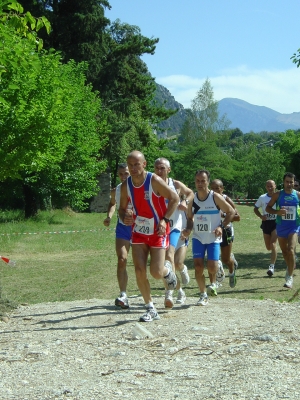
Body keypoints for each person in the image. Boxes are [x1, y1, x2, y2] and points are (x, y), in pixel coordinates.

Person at [119, 151, 179, 322]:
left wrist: (164, 220)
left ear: (144, 164)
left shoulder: (153, 180)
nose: (133, 168)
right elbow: (122, 210)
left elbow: (174, 198)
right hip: (138, 231)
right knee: (139, 270)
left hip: (158, 231)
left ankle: (167, 271)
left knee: (156, 272)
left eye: (136, 164)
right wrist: (126, 217)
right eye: (130, 165)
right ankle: (150, 308)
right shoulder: (126, 186)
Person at [181, 170, 235, 306]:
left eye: (203, 181)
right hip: (198, 237)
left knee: (211, 268)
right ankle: (203, 294)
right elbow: (189, 218)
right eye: (197, 181)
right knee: (198, 267)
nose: (200, 184)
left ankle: (218, 267)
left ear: (208, 182)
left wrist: (221, 227)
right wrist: (188, 229)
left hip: (213, 237)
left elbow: (231, 212)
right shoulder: (192, 200)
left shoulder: (215, 197)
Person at [154, 157, 194, 308]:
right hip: (160, 228)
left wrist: (185, 202)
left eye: (162, 168)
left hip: (175, 226)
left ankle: (168, 293)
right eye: (157, 168)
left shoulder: (174, 184)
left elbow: (190, 193)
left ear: (168, 170)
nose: (159, 171)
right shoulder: (152, 185)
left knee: (170, 257)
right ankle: (179, 291)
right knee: (166, 263)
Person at [103, 163, 132, 309]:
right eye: (121, 174)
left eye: (126, 173)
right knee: (122, 259)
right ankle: (123, 294)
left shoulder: (141, 187)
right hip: (123, 227)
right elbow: (112, 203)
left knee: (143, 264)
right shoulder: (116, 190)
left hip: (140, 228)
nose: (123, 176)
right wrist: (109, 216)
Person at [266, 172, 300, 289]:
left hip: (294, 227)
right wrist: (277, 212)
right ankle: (289, 266)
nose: (289, 184)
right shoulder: (277, 195)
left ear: (294, 182)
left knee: (291, 250)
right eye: (287, 181)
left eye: (291, 182)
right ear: (283, 182)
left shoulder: (298, 195)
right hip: (281, 227)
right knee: (285, 252)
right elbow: (267, 208)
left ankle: (290, 277)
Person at [210, 179, 240, 288]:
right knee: (212, 258)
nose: (215, 190)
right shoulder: (208, 198)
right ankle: (214, 283)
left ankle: (231, 271)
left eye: (217, 188)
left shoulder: (226, 199)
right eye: (213, 188)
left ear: (222, 188)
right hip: (212, 231)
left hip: (226, 231)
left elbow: (237, 217)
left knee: (225, 259)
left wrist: (224, 216)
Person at [253, 180, 278, 277]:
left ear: (275, 186)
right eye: (268, 186)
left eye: (271, 186)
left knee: (273, 243)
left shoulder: (279, 197)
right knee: (268, 247)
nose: (270, 188)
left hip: (276, 222)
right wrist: (261, 216)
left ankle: (271, 267)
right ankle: (274, 253)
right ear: (266, 187)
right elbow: (255, 208)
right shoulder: (262, 197)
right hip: (266, 223)